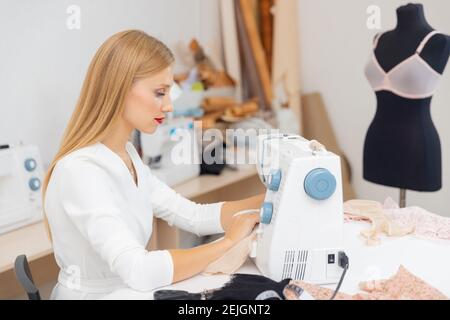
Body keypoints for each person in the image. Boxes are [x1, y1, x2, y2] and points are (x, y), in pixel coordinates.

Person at [43, 30, 263, 299]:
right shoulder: (80, 171)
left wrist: (269, 200)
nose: (169, 106)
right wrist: (228, 243)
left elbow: (192, 215)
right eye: (160, 93)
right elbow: (140, 270)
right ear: (119, 89)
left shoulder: (126, 156)